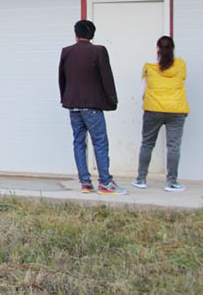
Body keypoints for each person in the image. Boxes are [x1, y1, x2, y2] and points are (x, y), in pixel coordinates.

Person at [59, 20, 127, 195]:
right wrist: (112, 101)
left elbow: (62, 78)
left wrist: (66, 98)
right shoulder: (99, 51)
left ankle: (85, 183)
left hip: (73, 105)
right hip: (92, 105)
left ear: (76, 34)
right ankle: (105, 182)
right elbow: (106, 78)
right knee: (100, 142)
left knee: (78, 142)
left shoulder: (66, 52)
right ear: (92, 35)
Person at [132, 36, 189, 192]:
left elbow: (143, 90)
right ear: (173, 49)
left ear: (157, 49)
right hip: (176, 110)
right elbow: (182, 80)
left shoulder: (149, 67)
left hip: (153, 110)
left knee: (147, 144)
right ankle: (171, 182)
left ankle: (141, 179)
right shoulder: (181, 65)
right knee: (173, 147)